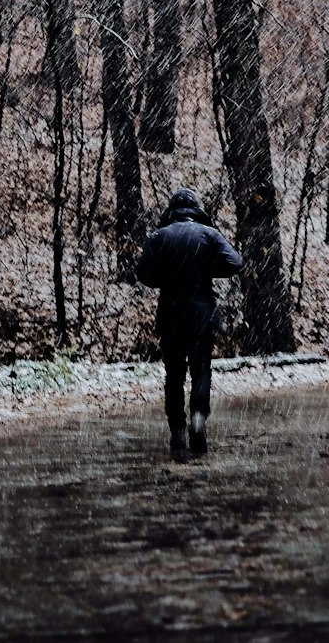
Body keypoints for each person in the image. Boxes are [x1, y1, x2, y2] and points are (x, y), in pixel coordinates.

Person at [135, 188, 243, 459]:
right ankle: (198, 418)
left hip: (171, 316)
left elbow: (143, 273)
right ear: (196, 209)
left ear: (171, 210)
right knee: (201, 370)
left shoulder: (159, 237)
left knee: (174, 374)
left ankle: (177, 430)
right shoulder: (208, 234)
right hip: (201, 316)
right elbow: (235, 263)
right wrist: (206, 270)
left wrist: (169, 278)